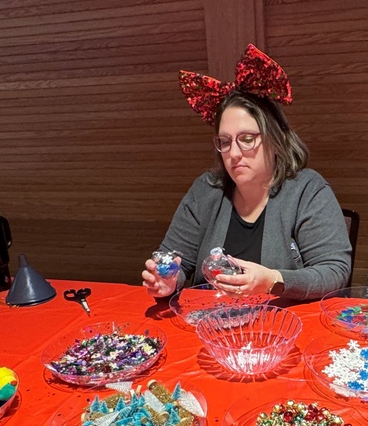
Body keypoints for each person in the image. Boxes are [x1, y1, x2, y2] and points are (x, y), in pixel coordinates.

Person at [141, 44, 352, 301]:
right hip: (212, 321)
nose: (234, 153)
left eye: (247, 139)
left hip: (279, 325)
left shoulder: (307, 190)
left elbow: (334, 272)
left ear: (275, 141)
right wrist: (168, 280)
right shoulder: (205, 190)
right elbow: (177, 262)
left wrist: (273, 280)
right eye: (225, 141)